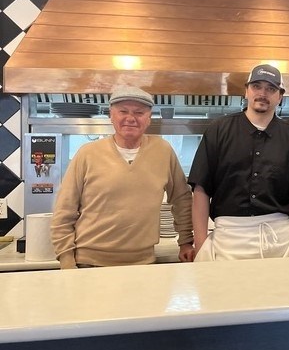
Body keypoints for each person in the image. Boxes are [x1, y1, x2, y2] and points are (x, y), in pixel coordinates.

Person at [51, 86, 194, 269]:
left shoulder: (163, 151)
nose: (130, 118)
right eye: (123, 111)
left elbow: (182, 198)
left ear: (149, 118)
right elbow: (64, 209)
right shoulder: (87, 154)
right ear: (111, 115)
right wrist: (66, 258)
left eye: (139, 112)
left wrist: (185, 240)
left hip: (144, 263)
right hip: (89, 263)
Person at [188, 64, 289, 261]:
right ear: (246, 90)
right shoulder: (218, 131)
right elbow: (201, 190)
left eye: (271, 89)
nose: (263, 93)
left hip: (281, 240)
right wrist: (201, 244)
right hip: (228, 240)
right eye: (257, 86)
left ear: (280, 96)